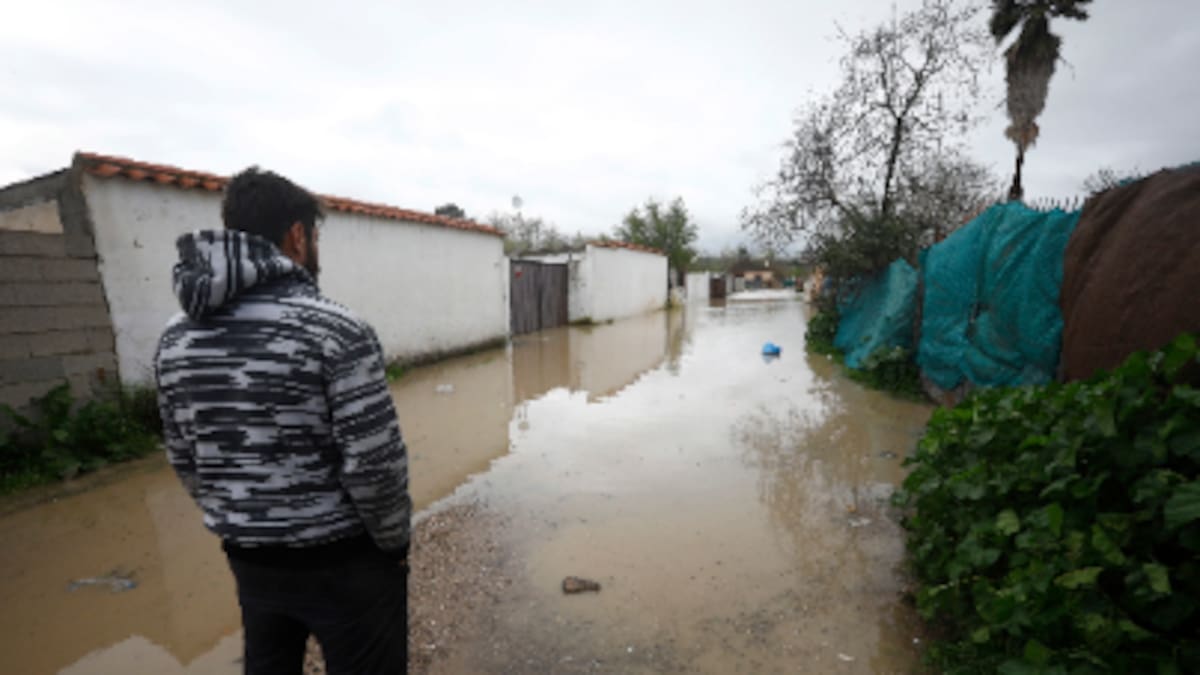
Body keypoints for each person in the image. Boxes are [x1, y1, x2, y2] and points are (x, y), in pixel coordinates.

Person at [155, 167, 411, 674]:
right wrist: (394, 542)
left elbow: (183, 455)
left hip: (249, 559)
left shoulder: (175, 339)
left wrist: (243, 515)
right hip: (344, 560)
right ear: (297, 236)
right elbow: (375, 465)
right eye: (315, 237)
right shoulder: (336, 329)